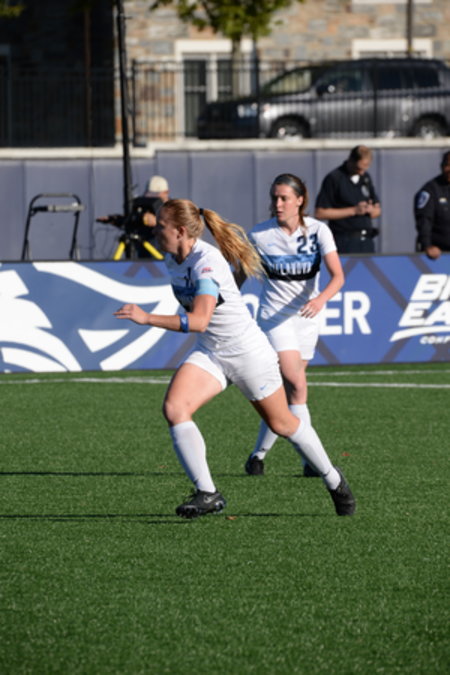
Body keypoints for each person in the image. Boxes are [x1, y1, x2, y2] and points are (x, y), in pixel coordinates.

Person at [114, 199, 356, 519]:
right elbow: (205, 326)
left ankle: (334, 479)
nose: (155, 231)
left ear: (181, 231)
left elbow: (200, 320)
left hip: (247, 353)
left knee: (282, 424)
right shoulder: (173, 258)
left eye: (161, 226)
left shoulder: (207, 262)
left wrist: (147, 318)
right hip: (212, 351)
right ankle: (208, 493)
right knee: (175, 408)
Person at [244, 174, 344, 478]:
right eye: (275, 197)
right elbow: (238, 274)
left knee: (287, 395)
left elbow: (338, 276)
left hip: (307, 319)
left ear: (300, 200)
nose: (278, 203)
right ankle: (312, 462)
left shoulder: (318, 230)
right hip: (275, 319)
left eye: (284, 198)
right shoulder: (259, 235)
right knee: (297, 385)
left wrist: (321, 299)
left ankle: (258, 456)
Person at [314, 145, 381, 254]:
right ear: (351, 160)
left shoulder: (366, 178)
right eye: (359, 168)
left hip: (366, 241)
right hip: (344, 241)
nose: (361, 172)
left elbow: (377, 210)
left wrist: (370, 210)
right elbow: (320, 213)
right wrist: (354, 210)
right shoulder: (334, 178)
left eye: (365, 168)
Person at [414, 151, 450, 259]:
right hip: (439, 254)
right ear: (442, 166)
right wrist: (427, 245)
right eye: (447, 165)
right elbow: (424, 221)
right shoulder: (431, 190)